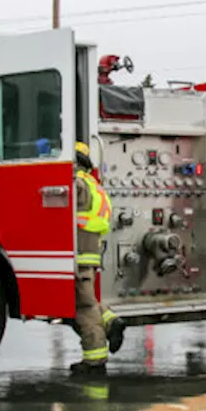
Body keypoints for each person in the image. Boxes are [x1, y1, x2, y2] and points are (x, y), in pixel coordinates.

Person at [71, 141, 126, 375]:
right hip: (90, 253)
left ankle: (94, 360)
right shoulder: (94, 185)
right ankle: (112, 321)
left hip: (78, 251)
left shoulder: (76, 184)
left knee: (83, 305)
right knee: (88, 298)